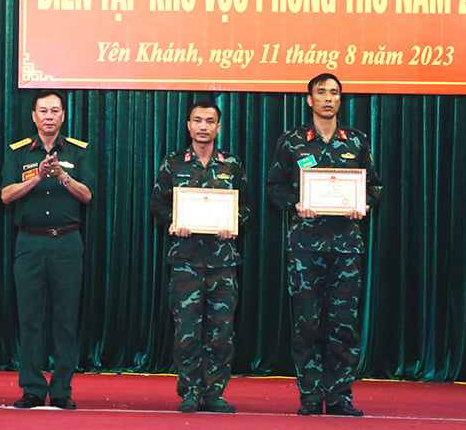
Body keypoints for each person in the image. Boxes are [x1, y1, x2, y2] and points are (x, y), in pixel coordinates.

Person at [265, 73, 382, 417]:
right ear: (309, 100)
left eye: (334, 93)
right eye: (321, 93)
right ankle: (312, 396)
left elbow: (374, 186)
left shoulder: (356, 142)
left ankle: (342, 395)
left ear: (340, 100)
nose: (328, 98)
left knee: (344, 322)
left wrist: (364, 204)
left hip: (346, 248)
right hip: (305, 249)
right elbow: (274, 186)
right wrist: (296, 204)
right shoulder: (292, 142)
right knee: (307, 323)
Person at [149, 99, 250, 413]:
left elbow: (245, 207)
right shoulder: (173, 163)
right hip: (186, 262)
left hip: (223, 262)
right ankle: (191, 391)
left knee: (222, 332)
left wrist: (233, 225)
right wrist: (175, 221)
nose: (203, 126)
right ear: (189, 125)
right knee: (187, 331)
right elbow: (157, 205)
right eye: (198, 120)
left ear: (219, 127)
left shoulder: (231, 164)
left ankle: (214, 393)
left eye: (210, 121)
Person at [0, 90, 95, 410]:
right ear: (34, 116)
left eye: (55, 110)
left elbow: (87, 196)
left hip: (67, 243)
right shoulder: (18, 152)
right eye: (43, 111)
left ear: (63, 116)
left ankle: (62, 389)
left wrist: (63, 176)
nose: (49, 116)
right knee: (29, 318)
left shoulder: (80, 151)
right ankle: (32, 388)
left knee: (66, 319)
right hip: (29, 242)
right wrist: (38, 176)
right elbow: (6, 195)